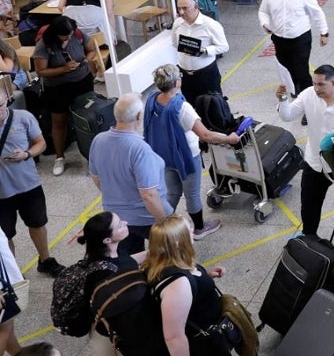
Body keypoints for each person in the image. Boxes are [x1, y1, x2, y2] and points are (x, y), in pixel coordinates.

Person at [144, 64, 238, 241]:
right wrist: (229, 139)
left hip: (163, 155)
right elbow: (205, 134)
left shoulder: (151, 100)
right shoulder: (181, 107)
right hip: (185, 157)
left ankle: (164, 227)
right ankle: (200, 229)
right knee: (192, 193)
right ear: (177, 82)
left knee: (172, 192)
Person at [276, 64, 334, 246]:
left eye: (321, 84)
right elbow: (287, 116)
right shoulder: (307, 95)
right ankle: (308, 235)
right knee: (309, 204)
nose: (316, 89)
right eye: (314, 83)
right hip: (314, 162)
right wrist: (282, 99)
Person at [88, 95, 168, 254]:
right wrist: (165, 222)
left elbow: (96, 178)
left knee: (130, 262)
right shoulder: (139, 149)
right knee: (168, 257)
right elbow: (149, 195)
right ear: (139, 116)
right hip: (147, 218)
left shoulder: (98, 140)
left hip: (117, 220)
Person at [145, 214, 229, 356]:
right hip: (203, 344)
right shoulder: (176, 284)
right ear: (177, 243)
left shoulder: (168, 260)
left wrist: (206, 276)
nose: (192, 230)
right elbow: (174, 337)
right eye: (188, 230)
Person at [0, 95, 64, 276]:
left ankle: (45, 260)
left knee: (37, 223)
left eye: (1, 105)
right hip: (1, 193)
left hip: (28, 185)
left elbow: (41, 143)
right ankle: (12, 274)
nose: (0, 110)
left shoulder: (23, 117)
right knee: (5, 235)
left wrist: (27, 154)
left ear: (7, 100)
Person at [31, 15, 98, 176]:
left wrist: (83, 62)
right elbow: (41, 71)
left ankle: (94, 153)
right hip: (57, 88)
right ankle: (59, 157)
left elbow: (91, 50)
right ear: (55, 33)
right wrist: (64, 69)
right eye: (64, 36)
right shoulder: (44, 45)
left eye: (70, 34)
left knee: (88, 117)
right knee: (59, 121)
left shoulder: (77, 34)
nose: (68, 38)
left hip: (82, 82)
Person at [77, 211, 146, 356]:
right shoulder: (105, 273)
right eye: (120, 225)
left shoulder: (110, 253)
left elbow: (127, 261)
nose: (126, 223)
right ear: (107, 239)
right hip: (110, 332)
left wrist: (158, 251)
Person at [259, 0, 329, 95]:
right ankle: (294, 88)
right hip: (279, 39)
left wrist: (324, 32)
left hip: (300, 39)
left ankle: (308, 94)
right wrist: (264, 23)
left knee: (301, 69)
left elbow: (317, 13)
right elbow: (263, 11)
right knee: (287, 67)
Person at [170, 0, 229, 102]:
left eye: (185, 8)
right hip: (185, 75)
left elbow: (224, 46)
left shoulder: (211, 25)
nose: (181, 12)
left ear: (196, 7)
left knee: (212, 107)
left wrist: (205, 51)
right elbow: (174, 43)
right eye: (179, 9)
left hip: (206, 75)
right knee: (190, 105)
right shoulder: (177, 23)